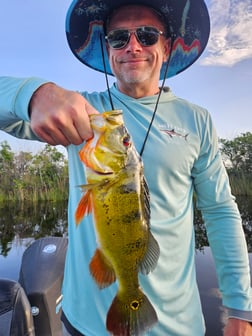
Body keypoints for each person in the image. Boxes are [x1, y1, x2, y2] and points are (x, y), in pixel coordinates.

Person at [0, 0, 252, 335]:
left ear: (167, 46)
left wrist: (240, 308)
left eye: (147, 35)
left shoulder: (197, 120)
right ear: (108, 50)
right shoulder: (82, 112)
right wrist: (33, 94)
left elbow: (220, 211)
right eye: (119, 38)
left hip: (177, 325)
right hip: (86, 322)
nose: (132, 46)